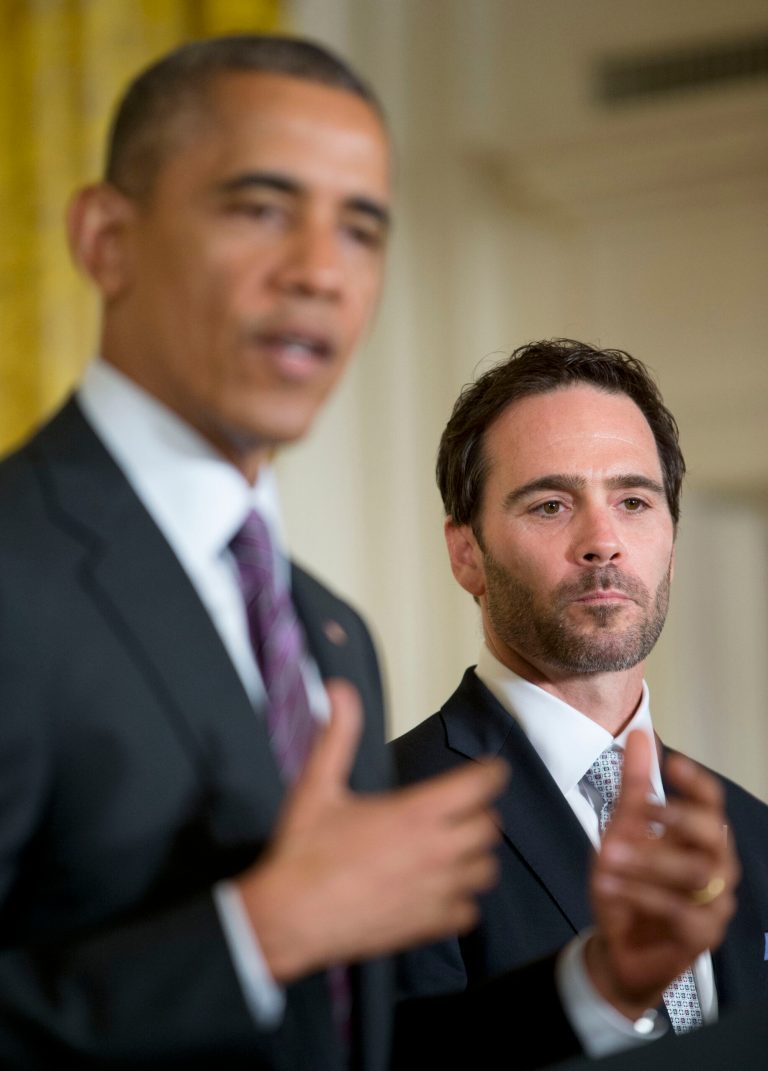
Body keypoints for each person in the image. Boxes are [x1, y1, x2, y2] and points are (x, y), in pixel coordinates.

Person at [0, 40, 738, 1070]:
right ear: (107, 240)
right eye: (259, 207)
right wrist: (259, 936)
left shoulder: (329, 636)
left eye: (360, 228)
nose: (318, 271)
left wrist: (601, 985)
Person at [394, 339, 768, 1045]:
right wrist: (598, 991)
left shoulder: (757, 834)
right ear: (465, 551)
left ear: (671, 540)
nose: (603, 541)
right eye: (550, 505)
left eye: (633, 500)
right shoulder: (385, 812)